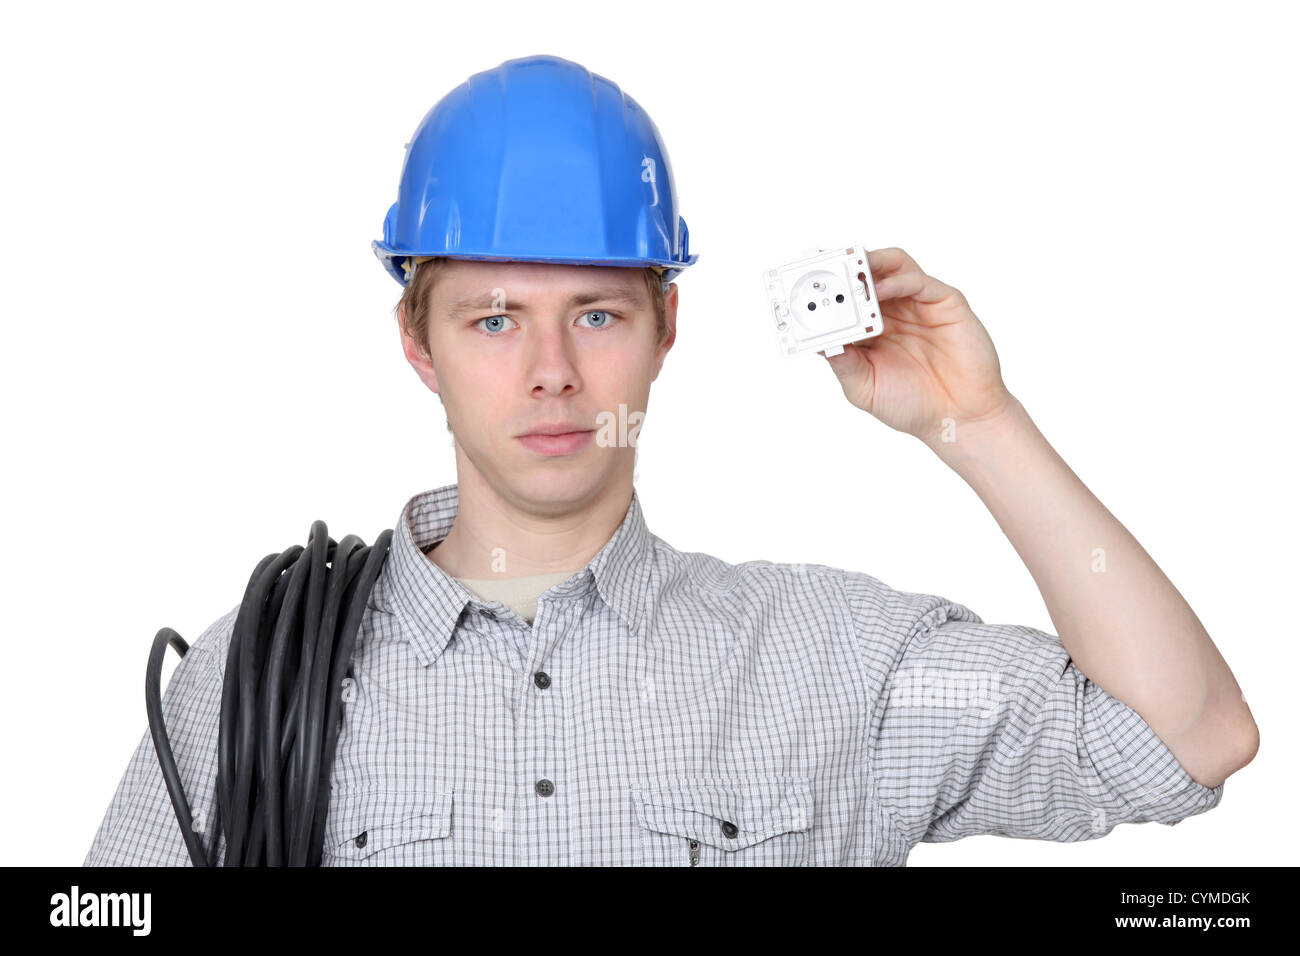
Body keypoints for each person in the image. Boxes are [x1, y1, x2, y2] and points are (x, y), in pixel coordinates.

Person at [85, 54, 1257, 867]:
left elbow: (1185, 738)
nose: (551, 371)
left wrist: (976, 422)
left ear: (664, 335)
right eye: (493, 319)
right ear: (419, 346)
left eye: (596, 314)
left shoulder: (826, 660)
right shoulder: (258, 681)